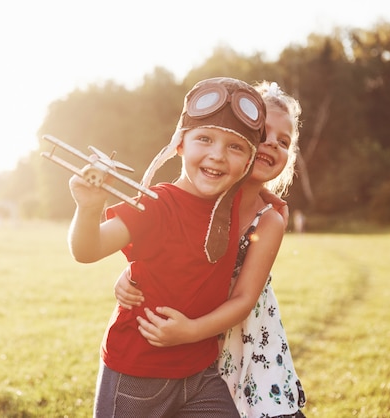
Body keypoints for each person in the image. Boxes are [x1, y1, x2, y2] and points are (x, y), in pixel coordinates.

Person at [67, 77, 268, 417]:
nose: (217, 155)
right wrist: (87, 209)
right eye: (204, 139)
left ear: (249, 161)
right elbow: (87, 250)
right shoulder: (157, 203)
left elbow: (275, 143)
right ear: (179, 145)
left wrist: (272, 195)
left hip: (201, 371)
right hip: (138, 372)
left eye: (235, 147)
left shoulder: (234, 200)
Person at [115, 81, 306, 418]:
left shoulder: (268, 218)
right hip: (189, 343)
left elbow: (244, 300)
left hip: (241, 336)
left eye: (284, 142)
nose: (272, 145)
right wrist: (128, 275)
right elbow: (164, 243)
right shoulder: (201, 195)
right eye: (263, 134)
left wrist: (190, 331)